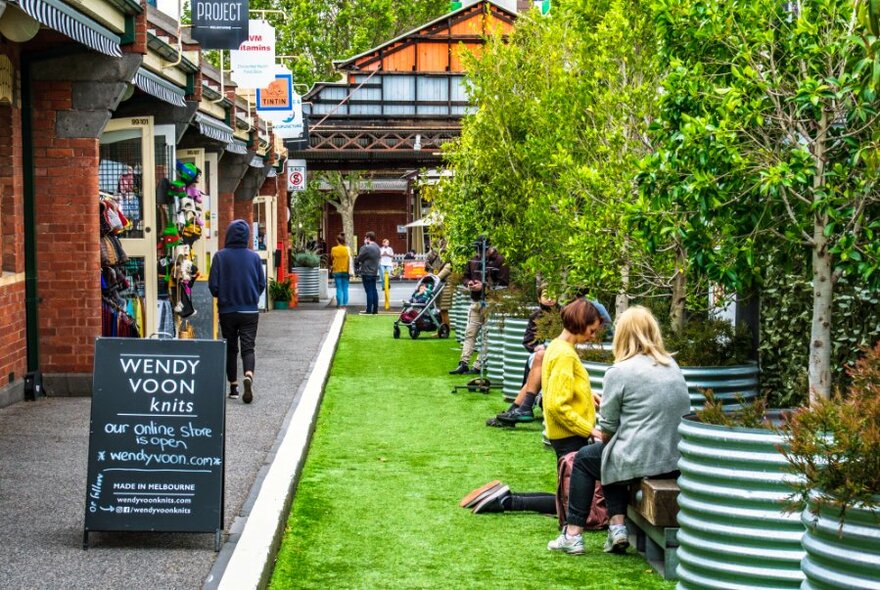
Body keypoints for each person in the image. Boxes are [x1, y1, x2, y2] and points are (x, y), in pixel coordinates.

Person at [548, 305, 689, 556]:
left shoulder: (619, 371)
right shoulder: (672, 365)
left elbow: (608, 428)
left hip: (644, 458)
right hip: (674, 458)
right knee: (608, 454)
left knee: (588, 458)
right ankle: (617, 528)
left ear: (622, 335)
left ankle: (573, 533)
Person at [460, 299, 604, 514]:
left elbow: (557, 386)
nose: (593, 336)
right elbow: (556, 404)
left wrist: (586, 393)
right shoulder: (565, 354)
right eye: (592, 330)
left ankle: (502, 496)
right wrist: (591, 430)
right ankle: (505, 501)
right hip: (570, 435)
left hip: (564, 434)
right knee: (575, 502)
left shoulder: (556, 346)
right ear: (581, 323)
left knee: (570, 496)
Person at [208, 219, 266, 404]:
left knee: (231, 348)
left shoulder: (220, 256)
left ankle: (233, 386)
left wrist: (223, 296)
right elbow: (261, 283)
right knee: (248, 347)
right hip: (249, 310)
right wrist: (252, 296)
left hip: (228, 310)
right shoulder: (254, 257)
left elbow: (213, 286)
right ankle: (248, 375)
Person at [449, 241, 510, 375]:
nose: (479, 253)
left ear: (490, 248)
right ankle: (463, 363)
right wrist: (468, 283)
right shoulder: (473, 259)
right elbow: (465, 276)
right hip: (476, 301)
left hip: (492, 302)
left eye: (482, 250)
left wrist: (484, 286)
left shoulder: (500, 260)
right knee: (470, 332)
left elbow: (504, 283)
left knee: (488, 335)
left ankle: (478, 365)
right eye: (477, 250)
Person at [356, 231, 381, 314]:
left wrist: (364, 245)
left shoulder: (367, 247)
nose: (364, 239)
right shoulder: (377, 247)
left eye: (365, 237)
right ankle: (375, 309)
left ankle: (369, 310)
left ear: (368, 238)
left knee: (369, 291)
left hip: (366, 272)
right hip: (374, 271)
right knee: (374, 290)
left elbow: (359, 258)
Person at [330, 233, 351, 309]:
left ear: (337, 241)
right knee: (345, 288)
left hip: (337, 270)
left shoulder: (333, 249)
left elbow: (332, 258)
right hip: (345, 270)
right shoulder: (347, 249)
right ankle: (345, 304)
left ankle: (340, 304)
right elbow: (349, 260)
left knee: (339, 288)